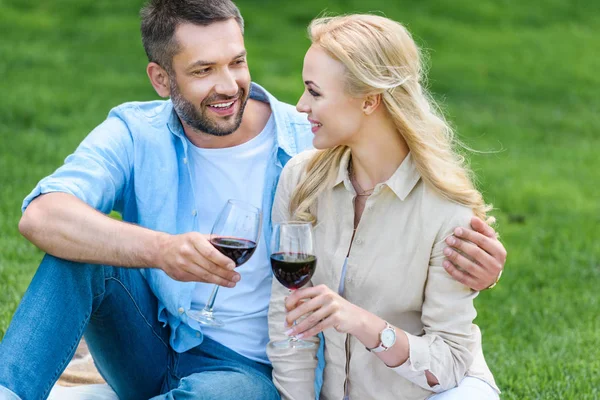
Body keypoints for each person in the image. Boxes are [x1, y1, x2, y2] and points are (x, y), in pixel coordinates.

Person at [0, 1, 506, 399]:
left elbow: (403, 204)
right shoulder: (135, 132)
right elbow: (42, 215)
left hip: (249, 369)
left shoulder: (313, 141)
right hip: (153, 342)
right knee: (78, 260)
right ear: (162, 79)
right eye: (202, 71)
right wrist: (161, 250)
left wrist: (481, 263)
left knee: (226, 393)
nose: (227, 85)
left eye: (236, 61)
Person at [268, 14, 502, 400]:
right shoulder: (301, 179)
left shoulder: (446, 209)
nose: (300, 105)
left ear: (370, 100)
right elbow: (286, 318)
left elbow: (450, 363)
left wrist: (365, 325)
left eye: (315, 92)